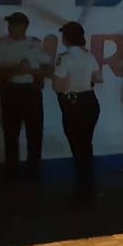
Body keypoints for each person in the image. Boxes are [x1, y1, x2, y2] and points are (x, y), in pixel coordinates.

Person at [0, 11, 51, 181]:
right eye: (10, 24)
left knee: (35, 133)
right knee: (10, 134)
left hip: (31, 92)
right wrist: (17, 70)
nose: (11, 27)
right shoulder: (1, 45)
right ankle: (12, 173)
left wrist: (37, 74)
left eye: (15, 24)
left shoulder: (35, 44)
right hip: (10, 92)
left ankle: (34, 171)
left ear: (24, 27)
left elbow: (48, 67)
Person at [51, 21, 101, 198]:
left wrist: (57, 83)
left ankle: (84, 186)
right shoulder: (89, 55)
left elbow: (58, 86)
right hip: (90, 101)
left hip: (73, 104)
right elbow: (98, 78)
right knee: (86, 144)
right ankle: (88, 184)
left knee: (77, 146)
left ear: (66, 38)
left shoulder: (64, 58)